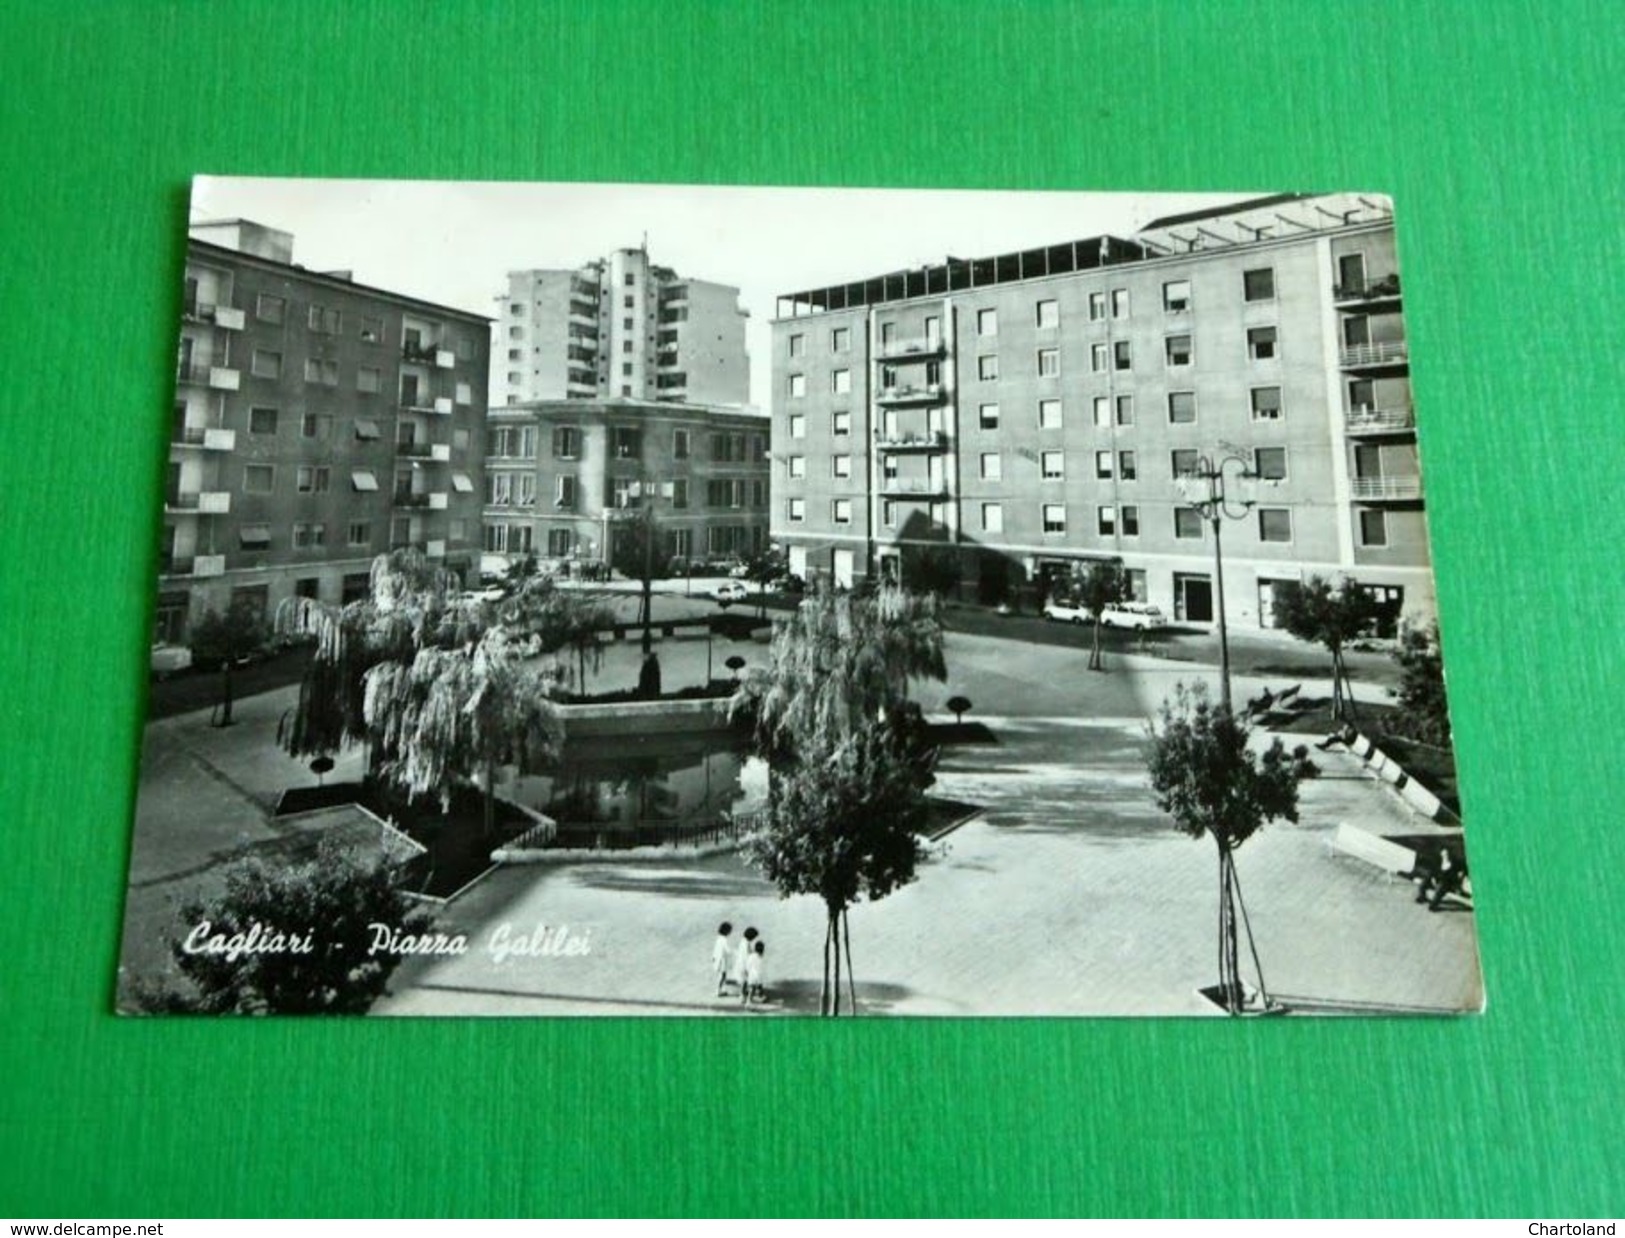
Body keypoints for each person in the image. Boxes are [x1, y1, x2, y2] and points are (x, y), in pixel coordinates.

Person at [733, 926, 758, 996]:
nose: (754, 939)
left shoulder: (743, 941)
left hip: (740, 963)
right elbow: (747, 955)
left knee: (744, 980)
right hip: (744, 964)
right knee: (744, 980)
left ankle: (743, 992)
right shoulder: (746, 943)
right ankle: (742, 994)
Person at [712, 921, 734, 996]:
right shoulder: (724, 940)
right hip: (722, 960)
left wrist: (714, 958)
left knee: (722, 975)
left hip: (718, 959)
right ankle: (718, 990)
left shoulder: (719, 939)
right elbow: (728, 950)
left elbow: (715, 950)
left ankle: (720, 989)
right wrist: (735, 952)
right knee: (722, 975)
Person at [744, 939, 767, 1005]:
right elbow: (761, 967)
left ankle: (751, 999)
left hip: (751, 975)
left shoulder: (751, 956)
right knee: (757, 987)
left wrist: (747, 972)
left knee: (752, 988)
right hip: (758, 975)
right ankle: (749, 1001)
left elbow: (748, 965)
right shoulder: (761, 957)